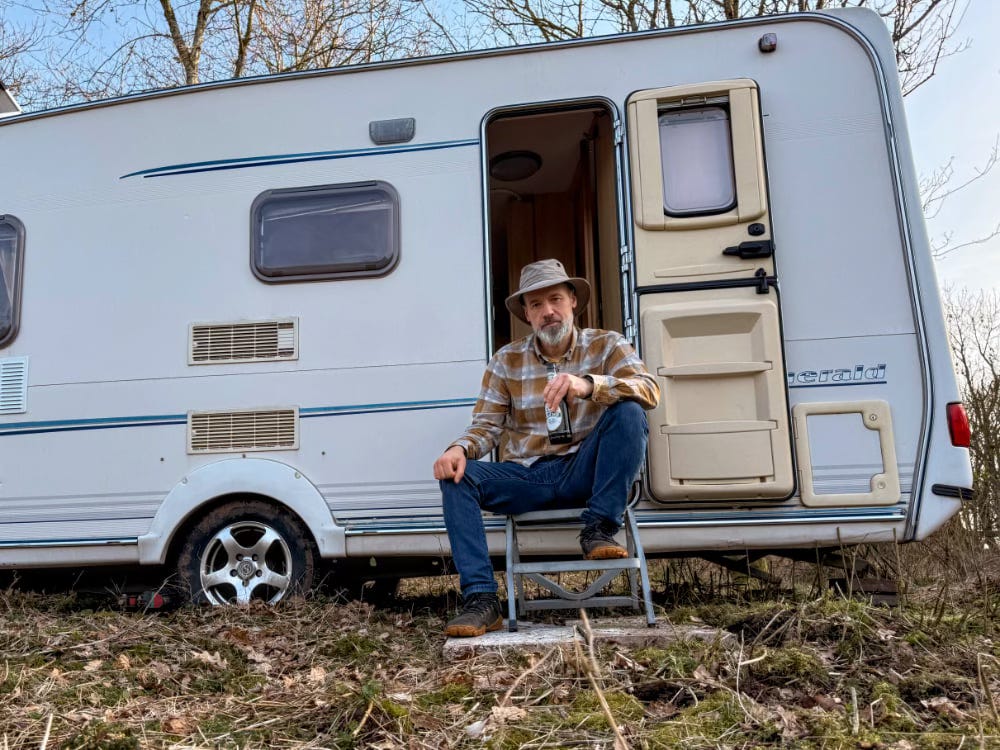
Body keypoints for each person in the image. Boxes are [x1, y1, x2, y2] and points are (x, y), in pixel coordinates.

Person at [433, 259, 660, 637]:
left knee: (630, 411)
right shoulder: (506, 360)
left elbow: (650, 389)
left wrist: (589, 385)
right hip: (528, 476)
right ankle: (482, 601)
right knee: (457, 477)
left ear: (573, 301)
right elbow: (486, 426)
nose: (548, 312)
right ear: (526, 314)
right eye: (536, 305)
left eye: (555, 299)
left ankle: (599, 529)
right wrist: (459, 449)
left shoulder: (607, 344)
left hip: (586, 471)